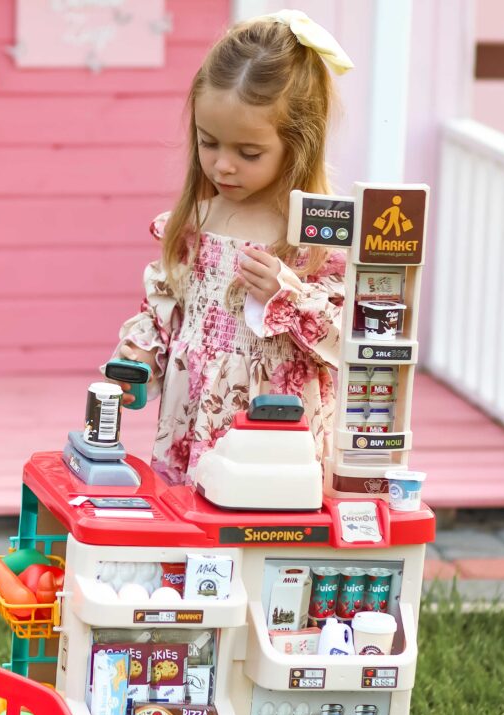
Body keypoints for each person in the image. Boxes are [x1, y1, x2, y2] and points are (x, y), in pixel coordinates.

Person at [109, 10, 353, 487]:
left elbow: (348, 341)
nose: (223, 166)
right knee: (195, 534)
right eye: (209, 143)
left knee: (269, 531)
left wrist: (289, 295)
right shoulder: (194, 223)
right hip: (194, 419)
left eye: (248, 152)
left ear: (297, 144)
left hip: (274, 432)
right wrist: (138, 358)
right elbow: (166, 314)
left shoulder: (314, 234)